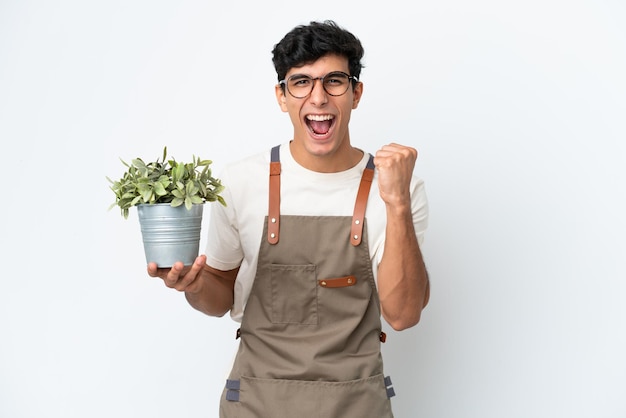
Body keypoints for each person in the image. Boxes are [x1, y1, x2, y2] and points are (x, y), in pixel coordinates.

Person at [148, 20, 430, 418]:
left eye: (334, 81)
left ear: (356, 93)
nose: (318, 98)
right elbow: (219, 298)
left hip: (355, 406)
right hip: (257, 404)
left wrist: (397, 201)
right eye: (301, 82)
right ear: (282, 96)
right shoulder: (241, 181)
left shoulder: (399, 188)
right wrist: (193, 286)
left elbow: (402, 315)